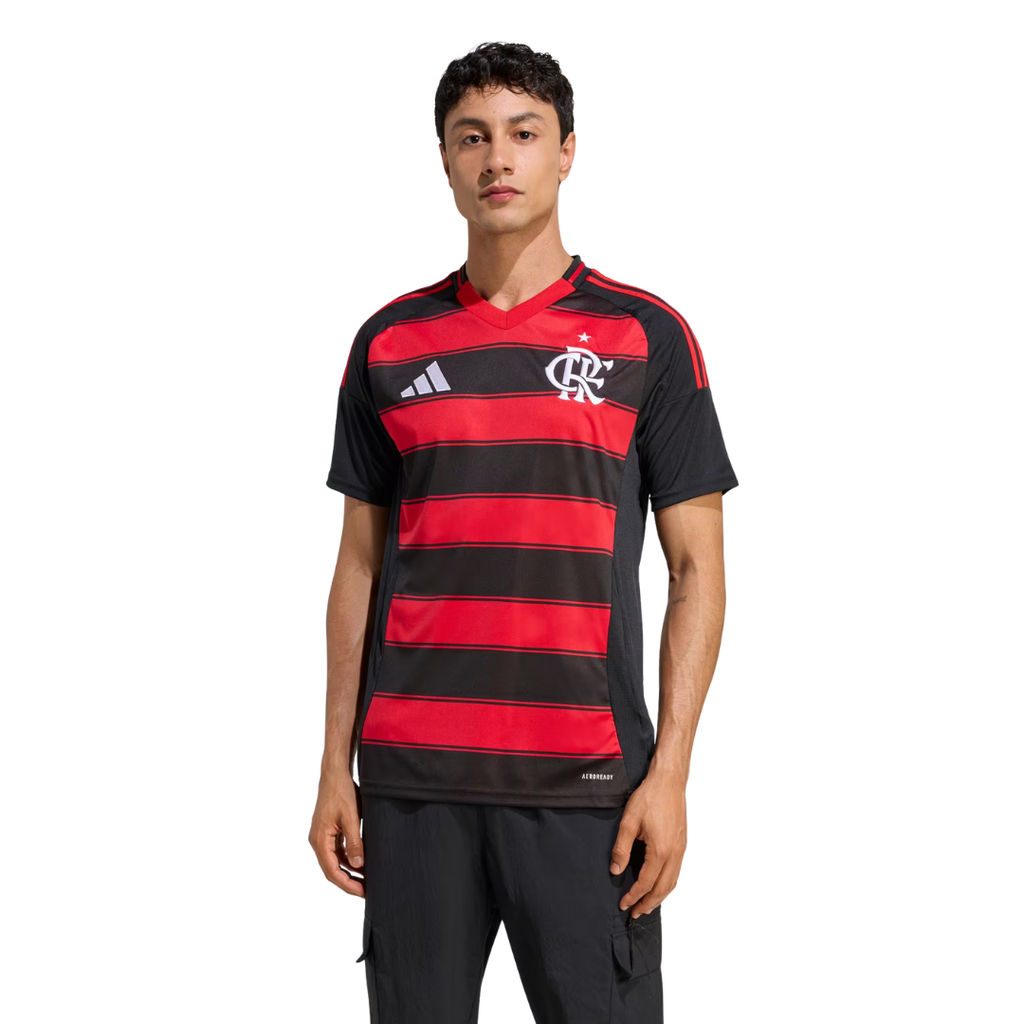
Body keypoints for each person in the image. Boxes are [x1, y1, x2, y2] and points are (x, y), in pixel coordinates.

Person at [309, 40, 739, 1023]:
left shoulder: (645, 336)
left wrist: (671, 774)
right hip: (411, 787)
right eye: (471, 137)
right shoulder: (388, 342)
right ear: (444, 159)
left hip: (588, 788)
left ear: (566, 151)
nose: (497, 157)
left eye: (523, 133)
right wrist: (334, 763)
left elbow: (696, 570)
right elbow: (357, 566)